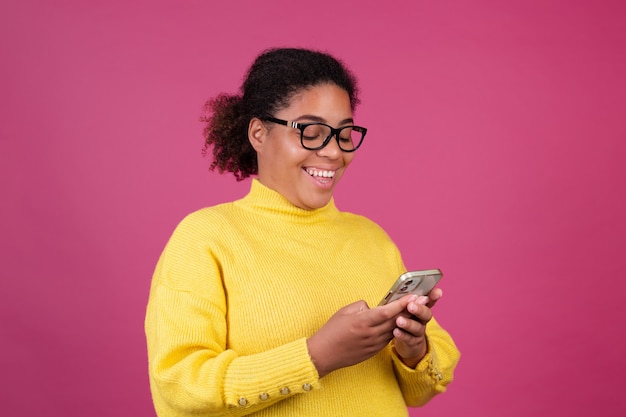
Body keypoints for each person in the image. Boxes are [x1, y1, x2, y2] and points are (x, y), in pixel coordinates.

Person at [145, 47, 460, 417]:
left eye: (344, 134)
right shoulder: (205, 238)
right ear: (259, 133)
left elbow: (423, 389)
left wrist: (414, 349)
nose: (332, 152)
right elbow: (180, 389)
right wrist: (316, 356)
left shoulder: (372, 238)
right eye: (311, 132)